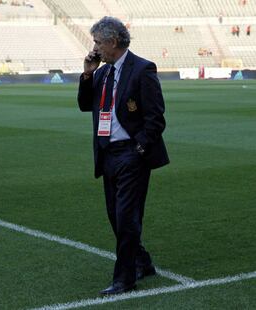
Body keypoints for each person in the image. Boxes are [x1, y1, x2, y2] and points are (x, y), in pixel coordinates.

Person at [77, 16, 169, 295]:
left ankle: (124, 279)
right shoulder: (102, 73)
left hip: (132, 154)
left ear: (112, 41)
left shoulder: (142, 69)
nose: (95, 48)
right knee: (116, 218)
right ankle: (142, 261)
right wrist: (87, 74)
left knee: (127, 217)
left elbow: (156, 118)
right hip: (107, 154)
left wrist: (139, 148)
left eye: (97, 42)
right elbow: (84, 105)